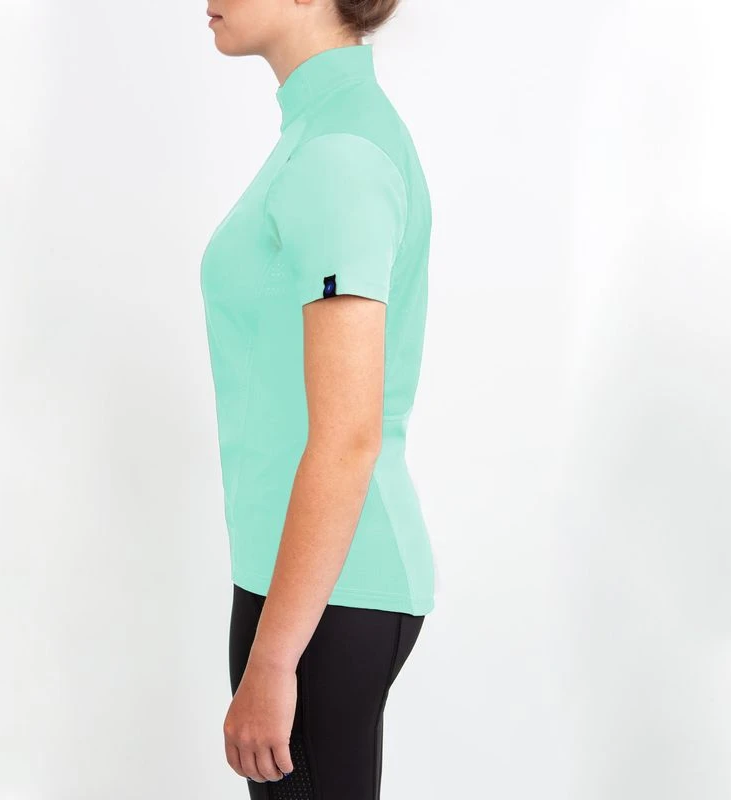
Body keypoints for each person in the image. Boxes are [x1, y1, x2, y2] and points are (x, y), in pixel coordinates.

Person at [200, 1, 436, 796]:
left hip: (327, 595)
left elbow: (348, 435)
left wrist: (274, 659)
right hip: (300, 581)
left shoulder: (339, 154)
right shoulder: (321, 133)